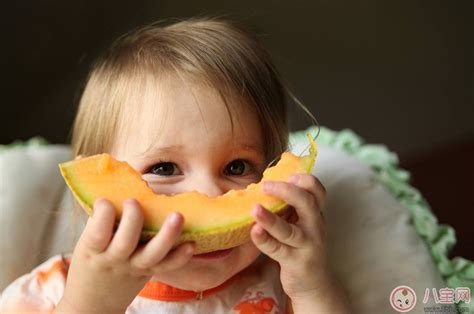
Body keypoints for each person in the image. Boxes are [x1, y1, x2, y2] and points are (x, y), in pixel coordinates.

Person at [0, 17, 351, 313]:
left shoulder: (284, 285)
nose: (209, 194)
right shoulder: (48, 292)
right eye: (165, 168)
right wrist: (92, 305)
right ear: (91, 197)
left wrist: (312, 289)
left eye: (237, 167)